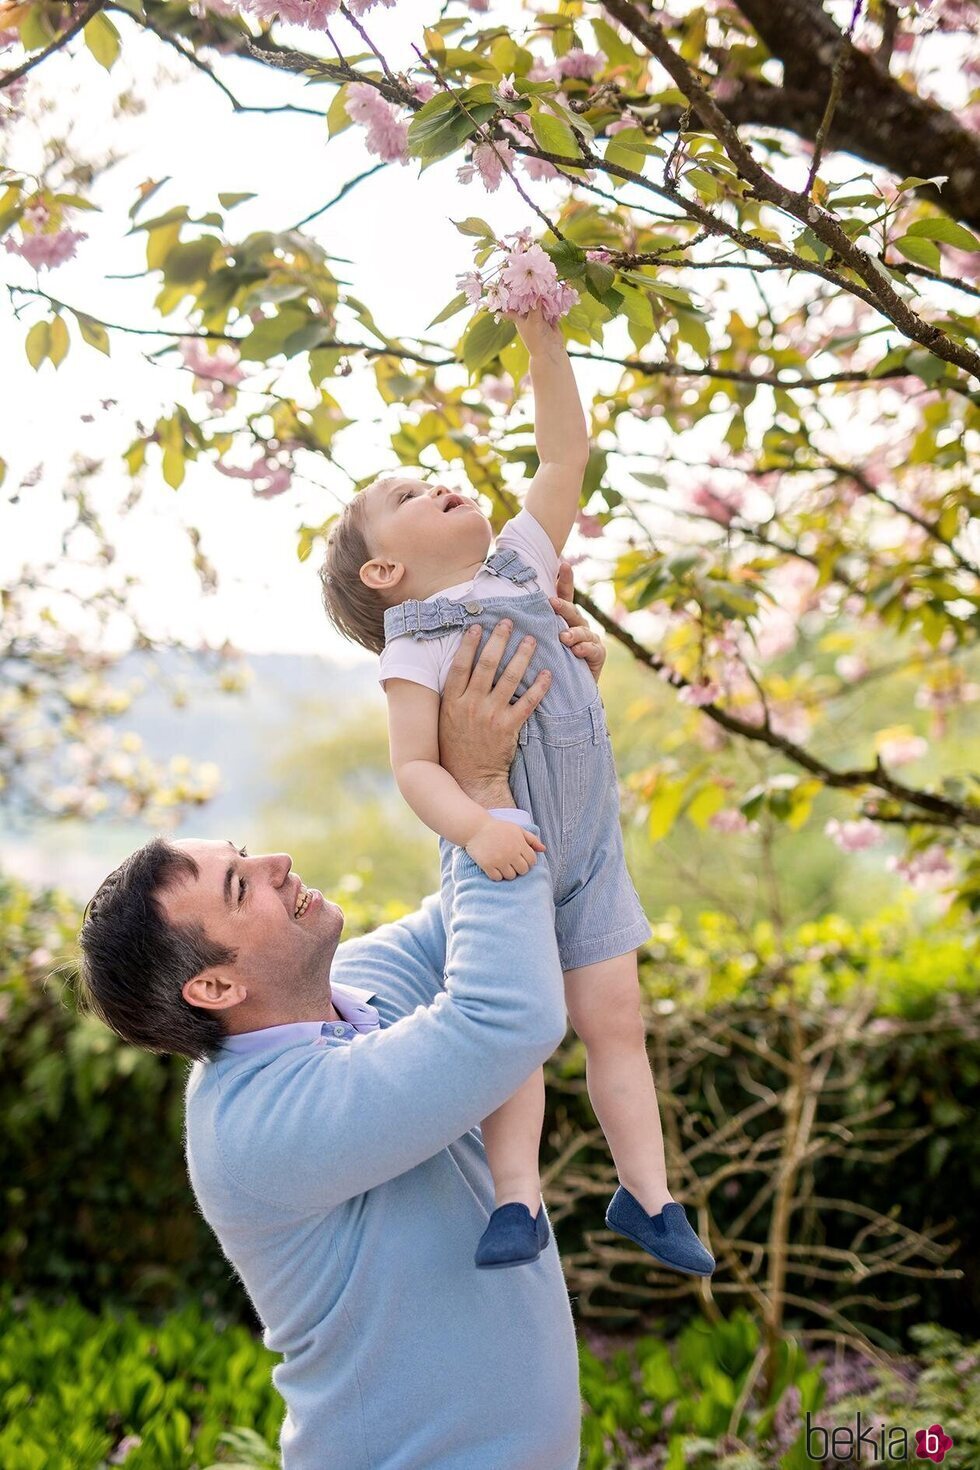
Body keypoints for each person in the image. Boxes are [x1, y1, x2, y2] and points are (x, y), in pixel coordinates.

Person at [76, 604, 605, 1470]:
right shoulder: (259, 1127)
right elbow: (507, 1018)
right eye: (240, 888)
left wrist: (556, 709)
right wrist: (472, 790)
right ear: (214, 986)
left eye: (243, 852)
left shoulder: (356, 989)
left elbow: (515, 876)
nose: (274, 863)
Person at [319, 307, 715, 1279]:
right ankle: (515, 1200)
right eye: (411, 492)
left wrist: (543, 343)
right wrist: (476, 826)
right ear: (386, 569)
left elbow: (562, 459)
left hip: (589, 848)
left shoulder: (518, 569)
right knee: (520, 1029)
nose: (441, 481)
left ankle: (649, 1196)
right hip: (499, 851)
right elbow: (415, 766)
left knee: (615, 1022)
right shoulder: (417, 639)